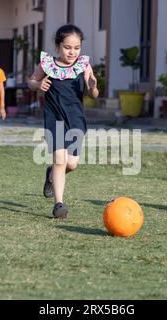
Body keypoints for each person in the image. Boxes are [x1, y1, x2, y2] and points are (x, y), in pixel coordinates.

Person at [28, 24, 99, 219]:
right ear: (58, 46)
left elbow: (93, 92)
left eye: (76, 48)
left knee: (72, 164)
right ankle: (59, 204)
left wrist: (92, 86)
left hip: (76, 119)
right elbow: (31, 81)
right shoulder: (47, 64)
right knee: (60, 160)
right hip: (54, 118)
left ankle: (51, 175)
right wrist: (38, 84)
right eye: (68, 47)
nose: (72, 52)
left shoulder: (83, 65)